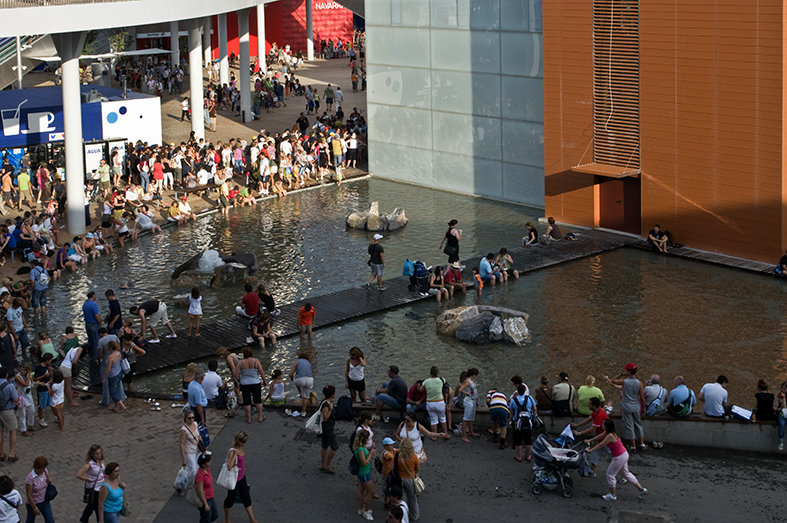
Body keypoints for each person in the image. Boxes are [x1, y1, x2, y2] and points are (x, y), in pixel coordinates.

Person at [586, 420, 648, 501]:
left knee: (610, 475)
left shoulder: (610, 435)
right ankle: (641, 490)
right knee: (626, 474)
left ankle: (612, 495)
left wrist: (590, 450)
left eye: (603, 424)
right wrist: (590, 440)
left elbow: (601, 444)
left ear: (607, 426)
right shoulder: (610, 432)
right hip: (624, 454)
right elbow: (600, 436)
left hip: (619, 457)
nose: (602, 424)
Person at [607, 363, 646, 451]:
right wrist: (643, 408)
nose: (624, 371)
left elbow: (613, 380)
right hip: (636, 406)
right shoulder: (639, 383)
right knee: (638, 424)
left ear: (628, 371)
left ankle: (633, 446)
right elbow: (642, 398)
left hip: (627, 407)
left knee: (629, 426)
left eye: (626, 370)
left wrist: (621, 374)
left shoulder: (624, 382)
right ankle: (642, 444)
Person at [222, 432, 259, 523]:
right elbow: (229, 466)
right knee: (230, 499)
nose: (244, 444)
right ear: (238, 441)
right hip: (234, 480)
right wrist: (235, 454)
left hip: (242, 478)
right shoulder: (232, 451)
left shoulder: (241, 448)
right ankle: (227, 520)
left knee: (246, 498)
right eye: (243, 442)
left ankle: (252, 519)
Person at [571, 397, 608, 476]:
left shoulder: (600, 415)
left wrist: (579, 433)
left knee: (615, 458)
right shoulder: (596, 412)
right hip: (600, 438)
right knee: (595, 454)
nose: (588, 405)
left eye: (589, 404)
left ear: (594, 406)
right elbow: (588, 419)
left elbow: (591, 429)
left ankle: (624, 474)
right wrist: (577, 425)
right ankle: (591, 471)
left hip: (607, 440)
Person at [76, 444, 106, 523]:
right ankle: (99, 520)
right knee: (97, 506)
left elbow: (103, 471)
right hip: (94, 488)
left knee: (91, 505)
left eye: (100, 453)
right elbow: (78, 475)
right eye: (97, 454)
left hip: (102, 486)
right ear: (92, 454)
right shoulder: (89, 465)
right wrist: (88, 479)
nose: (99, 455)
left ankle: (84, 519)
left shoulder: (101, 461)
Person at [238, 347, 267, 424]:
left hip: (244, 383)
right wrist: (264, 380)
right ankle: (260, 417)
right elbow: (262, 372)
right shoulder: (255, 361)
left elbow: (235, 374)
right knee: (258, 400)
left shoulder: (240, 363)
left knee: (246, 401)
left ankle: (249, 418)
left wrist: (239, 380)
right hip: (255, 382)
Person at [509, 384, 538, 462]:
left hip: (517, 422)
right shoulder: (529, 398)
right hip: (528, 421)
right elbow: (535, 408)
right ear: (525, 391)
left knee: (518, 439)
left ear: (518, 391)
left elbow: (511, 412)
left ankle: (519, 456)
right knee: (528, 439)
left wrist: (511, 420)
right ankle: (528, 456)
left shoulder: (513, 400)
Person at [420, 366, 450, 440]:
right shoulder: (442, 379)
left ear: (430, 373)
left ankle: (434, 436)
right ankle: (445, 434)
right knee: (442, 418)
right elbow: (445, 384)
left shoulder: (426, 381)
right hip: (440, 402)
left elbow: (421, 389)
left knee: (433, 420)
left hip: (430, 403)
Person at [353, 428, 375, 521]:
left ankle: (361, 508)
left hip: (361, 472)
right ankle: (366, 510)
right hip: (364, 473)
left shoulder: (359, 447)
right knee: (371, 492)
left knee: (361, 490)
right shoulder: (361, 449)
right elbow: (364, 463)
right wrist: (371, 454)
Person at [396, 438, 420, 521]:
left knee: (403, 499)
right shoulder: (414, 457)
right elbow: (417, 468)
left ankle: (403, 515)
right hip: (410, 479)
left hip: (400, 479)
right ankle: (414, 515)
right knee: (412, 498)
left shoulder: (398, 456)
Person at [24, 456, 54, 523]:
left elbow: (48, 480)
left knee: (50, 520)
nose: (43, 470)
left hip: (44, 500)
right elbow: (28, 495)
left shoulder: (45, 472)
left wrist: (49, 481)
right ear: (36, 467)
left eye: (44, 468)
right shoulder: (30, 478)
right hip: (34, 502)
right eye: (41, 469)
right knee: (30, 520)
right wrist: (34, 508)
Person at [178, 411, 201, 494]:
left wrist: (202, 445)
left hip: (196, 450)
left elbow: (198, 435)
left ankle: (192, 484)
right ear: (185, 419)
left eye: (193, 417)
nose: (191, 419)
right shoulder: (184, 430)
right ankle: (179, 484)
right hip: (189, 452)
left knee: (195, 469)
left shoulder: (195, 424)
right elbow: (181, 444)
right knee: (193, 471)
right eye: (189, 418)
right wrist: (183, 458)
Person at [102, 342, 126, 414]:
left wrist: (104, 378)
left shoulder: (110, 357)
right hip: (119, 372)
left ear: (110, 348)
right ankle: (116, 406)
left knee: (112, 392)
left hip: (113, 375)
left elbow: (108, 369)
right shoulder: (118, 353)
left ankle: (122, 406)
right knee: (117, 389)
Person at [0, 369, 18, 462]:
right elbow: (16, 400)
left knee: (0, 433)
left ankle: (1, 454)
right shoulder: (10, 386)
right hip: (7, 411)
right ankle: (11, 454)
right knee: (13, 431)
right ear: (6, 375)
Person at [319, 385, 338, 474]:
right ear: (332, 395)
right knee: (334, 446)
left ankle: (323, 464)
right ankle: (327, 464)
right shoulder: (327, 405)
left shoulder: (325, 402)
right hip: (327, 429)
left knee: (325, 445)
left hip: (326, 428)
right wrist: (330, 409)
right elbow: (325, 417)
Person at [457, 368, 479, 443]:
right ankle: (464, 436)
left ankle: (471, 431)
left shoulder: (470, 381)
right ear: (474, 375)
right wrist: (466, 393)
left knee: (471, 418)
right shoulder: (468, 382)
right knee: (466, 418)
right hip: (469, 401)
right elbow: (460, 389)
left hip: (472, 400)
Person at [194, 453, 218, 523]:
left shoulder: (207, 470)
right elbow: (200, 491)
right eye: (208, 462)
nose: (210, 462)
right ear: (203, 465)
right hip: (205, 499)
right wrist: (205, 504)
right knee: (206, 518)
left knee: (215, 515)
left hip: (210, 497)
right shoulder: (200, 476)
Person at [289, 351, 313, 417]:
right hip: (310, 380)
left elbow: (291, 374)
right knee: (305, 398)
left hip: (300, 380)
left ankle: (300, 392)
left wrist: (293, 380)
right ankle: (303, 412)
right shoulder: (309, 363)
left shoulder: (296, 362)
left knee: (295, 375)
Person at [15, 364, 35, 437]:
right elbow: (26, 384)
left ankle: (31, 425)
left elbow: (31, 384)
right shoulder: (17, 377)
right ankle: (23, 430)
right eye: (20, 369)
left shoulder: (27, 376)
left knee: (32, 411)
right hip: (21, 398)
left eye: (23, 370)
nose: (21, 371)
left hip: (28, 396)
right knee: (22, 414)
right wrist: (29, 376)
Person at [776, 381, 787, 450]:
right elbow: (783, 407)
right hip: (782, 413)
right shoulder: (781, 395)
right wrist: (783, 399)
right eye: (782, 389)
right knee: (782, 424)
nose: (782, 390)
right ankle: (781, 441)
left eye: (784, 389)